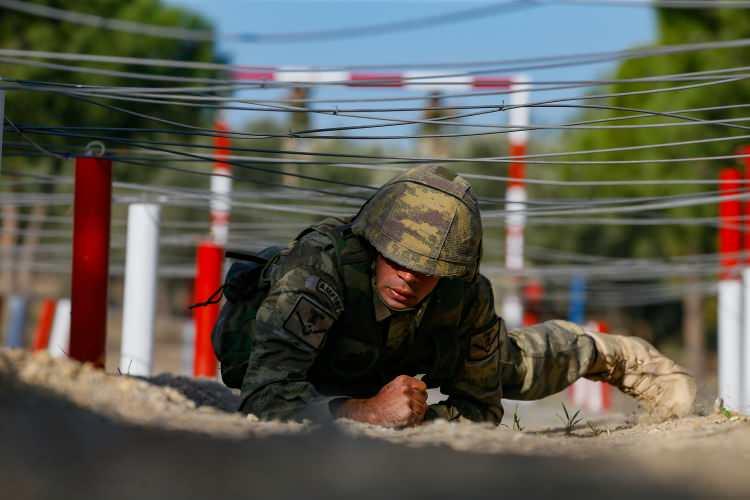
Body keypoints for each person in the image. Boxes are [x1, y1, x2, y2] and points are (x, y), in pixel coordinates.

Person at [213, 165, 696, 428]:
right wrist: (367, 412)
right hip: (318, 368)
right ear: (372, 243)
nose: (408, 277)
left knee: (514, 366)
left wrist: (418, 416)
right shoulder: (319, 269)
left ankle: (612, 355)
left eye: (429, 270)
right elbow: (264, 398)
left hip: (402, 358)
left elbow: (481, 409)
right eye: (398, 258)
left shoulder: (467, 295)